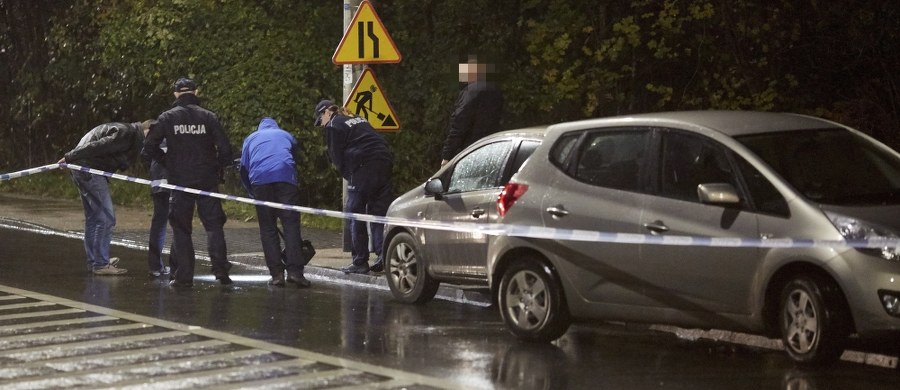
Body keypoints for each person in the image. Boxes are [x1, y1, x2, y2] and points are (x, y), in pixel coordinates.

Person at [143, 77, 234, 288]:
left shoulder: (167, 117)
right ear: (196, 92)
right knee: (214, 226)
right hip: (207, 180)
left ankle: (184, 277)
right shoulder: (209, 117)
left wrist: (167, 162)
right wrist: (217, 167)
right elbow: (225, 148)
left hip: (179, 181)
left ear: (176, 94)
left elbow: (148, 147)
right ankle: (221, 270)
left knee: (181, 228)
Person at [58, 120, 153, 275]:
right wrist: (69, 157)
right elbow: (98, 146)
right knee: (106, 217)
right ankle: (101, 264)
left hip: (83, 168)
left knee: (94, 218)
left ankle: (95, 260)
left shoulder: (127, 132)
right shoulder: (127, 133)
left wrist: (72, 158)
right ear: (147, 130)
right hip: (89, 170)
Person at [313, 99, 393, 274]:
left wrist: (351, 178)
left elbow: (337, 159)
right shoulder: (356, 117)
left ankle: (359, 261)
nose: (321, 125)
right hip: (384, 161)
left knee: (354, 211)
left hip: (363, 165)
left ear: (326, 112)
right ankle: (384, 255)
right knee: (379, 211)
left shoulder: (333, 125)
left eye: (320, 120)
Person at [240, 117, 311, 288]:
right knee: (291, 225)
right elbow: (296, 158)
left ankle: (277, 275)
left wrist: (252, 192)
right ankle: (295, 273)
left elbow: (243, 168)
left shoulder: (250, 139)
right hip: (285, 179)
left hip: (260, 182)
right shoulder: (285, 135)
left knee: (268, 228)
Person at [440, 54, 504, 166]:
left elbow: (460, 124)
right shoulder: (495, 90)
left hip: (470, 149)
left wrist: (447, 155)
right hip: (492, 146)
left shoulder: (470, 92)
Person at [143, 136, 172, 277]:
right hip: (173, 182)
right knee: (179, 225)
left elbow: (145, 153)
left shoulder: (158, 134)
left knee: (159, 223)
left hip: (158, 182)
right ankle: (178, 268)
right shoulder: (179, 132)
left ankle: (155, 266)